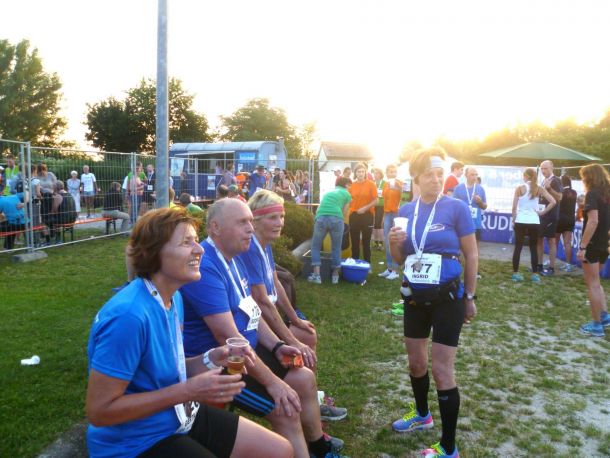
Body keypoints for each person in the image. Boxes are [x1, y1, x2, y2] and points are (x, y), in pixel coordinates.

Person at [86, 208, 292, 458]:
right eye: (187, 242)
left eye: (196, 240)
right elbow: (99, 411)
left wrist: (210, 358)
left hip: (179, 413)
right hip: (136, 442)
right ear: (154, 252)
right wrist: (188, 391)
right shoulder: (128, 317)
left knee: (280, 450)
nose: (199, 249)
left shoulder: (173, 298)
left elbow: (169, 368)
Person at [180, 198, 346, 458]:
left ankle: (318, 448)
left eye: (250, 221)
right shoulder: (207, 266)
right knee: (285, 408)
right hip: (223, 365)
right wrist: (273, 382)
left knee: (303, 378)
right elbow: (227, 337)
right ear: (215, 227)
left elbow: (252, 313)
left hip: (247, 352)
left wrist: (278, 345)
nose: (250, 228)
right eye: (242, 222)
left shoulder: (234, 257)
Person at [388, 147, 477, 458]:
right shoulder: (407, 210)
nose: (437, 180)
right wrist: (393, 244)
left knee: (441, 369)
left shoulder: (456, 208)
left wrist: (470, 296)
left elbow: (472, 254)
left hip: (448, 297)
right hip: (415, 297)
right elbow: (401, 259)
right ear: (416, 177)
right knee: (416, 363)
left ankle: (448, 447)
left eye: (440, 174)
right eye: (430, 175)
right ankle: (422, 415)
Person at [576, 164, 610, 337]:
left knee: (592, 284)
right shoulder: (607, 194)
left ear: (589, 177)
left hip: (593, 244)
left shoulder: (592, 194)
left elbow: (593, 221)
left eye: (583, 177)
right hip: (604, 243)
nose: (582, 180)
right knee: (597, 282)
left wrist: (583, 246)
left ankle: (596, 325)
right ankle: (604, 316)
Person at [510, 168, 556, 282]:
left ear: (526, 176)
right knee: (533, 248)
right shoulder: (539, 188)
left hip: (520, 220)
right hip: (534, 220)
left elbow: (514, 207)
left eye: (523, 175)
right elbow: (553, 201)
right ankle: (535, 274)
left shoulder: (519, 188)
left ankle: (515, 273)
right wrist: (542, 212)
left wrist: (513, 219)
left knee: (518, 247)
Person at [308, 177, 352, 284]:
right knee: (336, 247)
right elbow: (344, 212)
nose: (350, 187)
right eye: (350, 185)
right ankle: (335, 276)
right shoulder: (347, 194)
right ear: (346, 185)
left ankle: (317, 276)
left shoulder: (328, 192)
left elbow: (319, 208)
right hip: (337, 218)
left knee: (315, 246)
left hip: (321, 217)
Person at [453, 167, 487, 277]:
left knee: (475, 248)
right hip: (461, 222)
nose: (475, 177)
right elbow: (453, 205)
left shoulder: (480, 189)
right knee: (459, 247)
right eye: (472, 174)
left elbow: (485, 206)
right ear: (466, 175)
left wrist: (480, 202)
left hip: (476, 223)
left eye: (476, 174)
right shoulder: (458, 188)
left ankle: (475, 271)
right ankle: (458, 269)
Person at [537, 160, 563, 276]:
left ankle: (551, 268)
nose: (543, 171)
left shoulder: (556, 180)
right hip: (542, 214)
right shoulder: (544, 180)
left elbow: (560, 197)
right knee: (539, 239)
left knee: (551, 240)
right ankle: (539, 265)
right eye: (542, 168)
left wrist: (549, 189)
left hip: (551, 215)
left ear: (552, 168)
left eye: (545, 168)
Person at [348, 163, 378, 263]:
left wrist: (365, 208)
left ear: (365, 173)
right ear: (355, 173)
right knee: (354, 242)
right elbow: (348, 200)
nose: (361, 173)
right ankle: (355, 264)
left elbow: (376, 201)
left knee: (366, 242)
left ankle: (367, 265)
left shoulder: (371, 184)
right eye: (358, 172)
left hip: (367, 215)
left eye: (362, 171)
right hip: (354, 215)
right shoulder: (352, 185)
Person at [378, 164, 402, 280]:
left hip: (397, 213)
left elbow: (404, 197)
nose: (393, 174)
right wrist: (383, 216)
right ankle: (389, 268)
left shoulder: (400, 183)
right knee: (387, 241)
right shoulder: (385, 185)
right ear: (387, 173)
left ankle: (396, 270)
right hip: (387, 213)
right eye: (391, 172)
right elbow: (385, 201)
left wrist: (399, 188)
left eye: (394, 171)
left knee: (395, 242)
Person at [556, 174, 578, 271]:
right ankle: (568, 264)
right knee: (567, 243)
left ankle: (551, 261)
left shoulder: (561, 192)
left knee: (554, 242)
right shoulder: (574, 192)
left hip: (560, 219)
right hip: (570, 219)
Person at [372, 168, 385, 252]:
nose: (375, 175)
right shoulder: (373, 183)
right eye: (374, 173)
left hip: (381, 206)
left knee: (379, 224)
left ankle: (380, 243)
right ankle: (376, 242)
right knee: (375, 224)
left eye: (377, 173)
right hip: (373, 206)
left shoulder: (384, 183)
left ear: (380, 174)